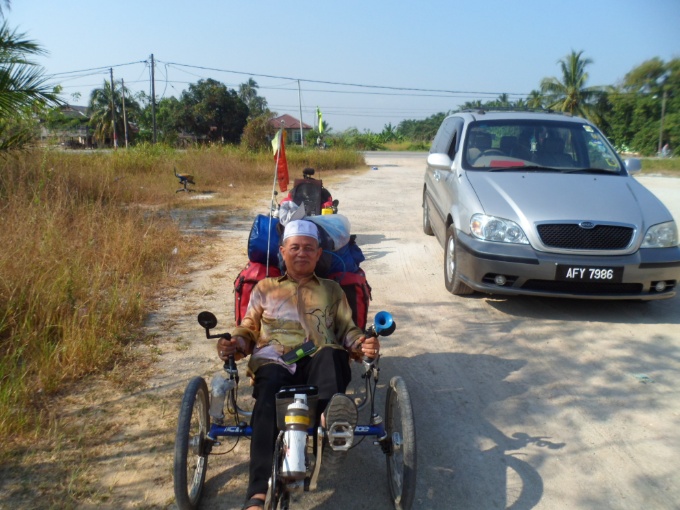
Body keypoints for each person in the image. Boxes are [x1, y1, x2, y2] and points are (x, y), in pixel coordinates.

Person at [216, 219, 380, 510]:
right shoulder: (265, 288)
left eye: (309, 248)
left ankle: (332, 422)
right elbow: (248, 327)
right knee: (265, 405)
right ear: (283, 251)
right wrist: (235, 345)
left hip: (320, 356)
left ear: (318, 254)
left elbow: (347, 329)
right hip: (276, 359)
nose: (302, 253)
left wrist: (361, 344)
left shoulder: (332, 290)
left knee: (331, 354)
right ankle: (256, 496)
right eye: (295, 247)